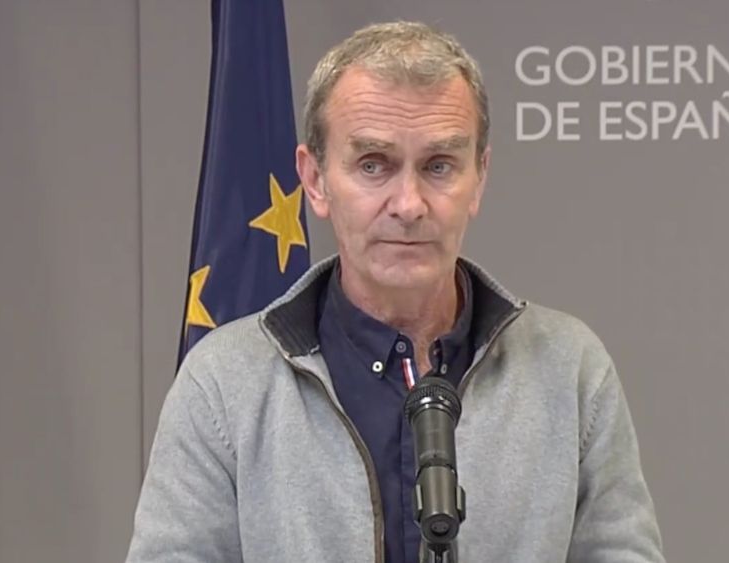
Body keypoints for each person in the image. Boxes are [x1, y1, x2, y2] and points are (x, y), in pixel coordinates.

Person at [127, 21, 664, 563]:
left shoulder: (570, 369)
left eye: (438, 166)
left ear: (479, 178)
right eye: (373, 165)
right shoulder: (223, 383)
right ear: (314, 180)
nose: (408, 204)